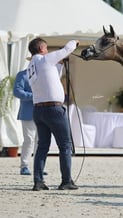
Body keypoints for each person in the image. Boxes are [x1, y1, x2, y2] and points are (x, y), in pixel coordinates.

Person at [27, 37, 79, 191]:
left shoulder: (31, 65)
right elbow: (66, 50)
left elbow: (51, 77)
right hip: (54, 109)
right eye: (47, 48)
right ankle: (66, 180)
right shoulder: (45, 60)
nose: (48, 50)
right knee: (65, 145)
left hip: (38, 109)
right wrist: (74, 42)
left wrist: (60, 65)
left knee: (42, 146)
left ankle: (38, 181)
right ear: (42, 48)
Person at [13, 69, 37, 175]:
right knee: (29, 139)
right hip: (28, 112)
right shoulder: (23, 74)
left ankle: (39, 166)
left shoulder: (44, 73)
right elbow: (17, 91)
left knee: (41, 141)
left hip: (44, 111)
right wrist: (34, 96)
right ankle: (24, 166)